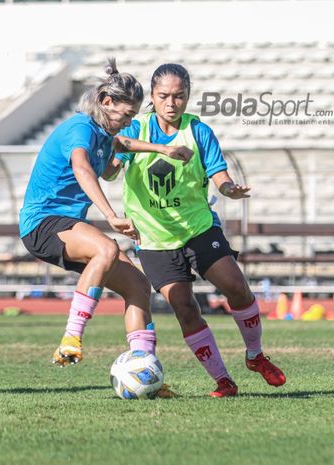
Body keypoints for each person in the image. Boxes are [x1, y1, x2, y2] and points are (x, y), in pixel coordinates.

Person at [106, 63, 286, 397]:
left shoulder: (198, 131)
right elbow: (112, 162)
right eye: (163, 96)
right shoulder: (137, 128)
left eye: (179, 96)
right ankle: (223, 380)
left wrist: (229, 189)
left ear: (188, 95)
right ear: (153, 97)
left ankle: (255, 355)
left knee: (237, 287)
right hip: (155, 240)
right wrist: (117, 156)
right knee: (185, 307)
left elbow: (219, 175)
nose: (171, 103)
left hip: (198, 229)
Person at [19, 58, 190, 373]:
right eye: (126, 115)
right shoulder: (80, 129)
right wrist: (111, 215)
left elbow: (119, 148)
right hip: (43, 224)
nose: (128, 122)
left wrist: (162, 150)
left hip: (68, 224)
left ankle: (143, 367)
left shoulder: (102, 134)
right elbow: (82, 167)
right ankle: (72, 337)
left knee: (138, 285)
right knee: (107, 248)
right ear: (106, 102)